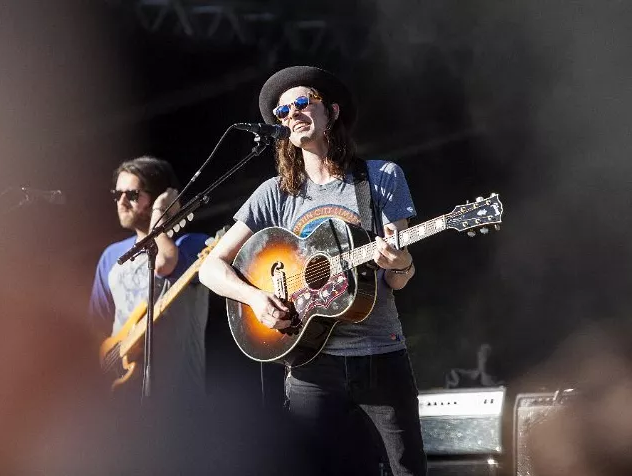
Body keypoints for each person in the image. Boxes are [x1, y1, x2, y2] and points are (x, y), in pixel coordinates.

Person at [198, 66, 427, 475]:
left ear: (332, 112)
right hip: (310, 368)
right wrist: (255, 297)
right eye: (282, 112)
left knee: (406, 469)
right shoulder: (275, 193)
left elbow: (397, 279)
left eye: (302, 102)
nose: (292, 114)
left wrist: (400, 261)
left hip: (380, 355)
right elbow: (209, 268)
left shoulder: (380, 179)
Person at [88, 156, 209, 402]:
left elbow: (164, 264)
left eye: (132, 195)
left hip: (179, 399)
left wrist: (158, 218)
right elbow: (96, 325)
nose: (121, 202)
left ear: (161, 198)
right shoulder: (111, 256)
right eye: (117, 194)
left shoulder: (192, 244)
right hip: (123, 399)